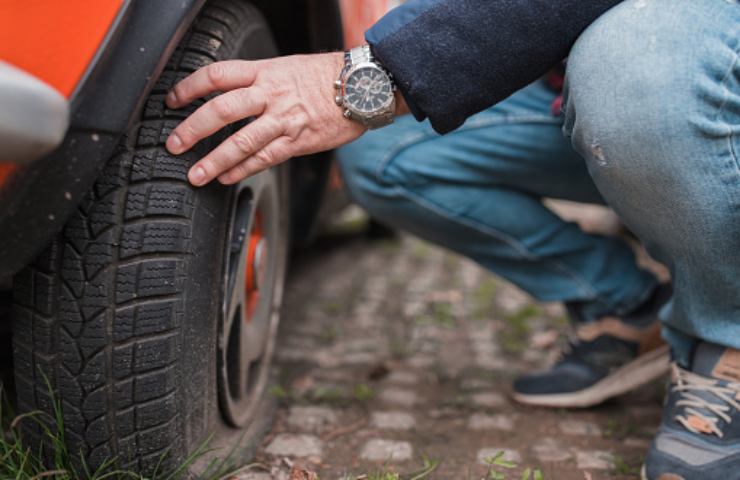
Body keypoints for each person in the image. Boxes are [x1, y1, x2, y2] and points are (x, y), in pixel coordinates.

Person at [163, 0, 740, 478]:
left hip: (691, 91)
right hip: (579, 92)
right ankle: (626, 307)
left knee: (635, 68)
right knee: (381, 150)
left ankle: (724, 340)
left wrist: (376, 74)